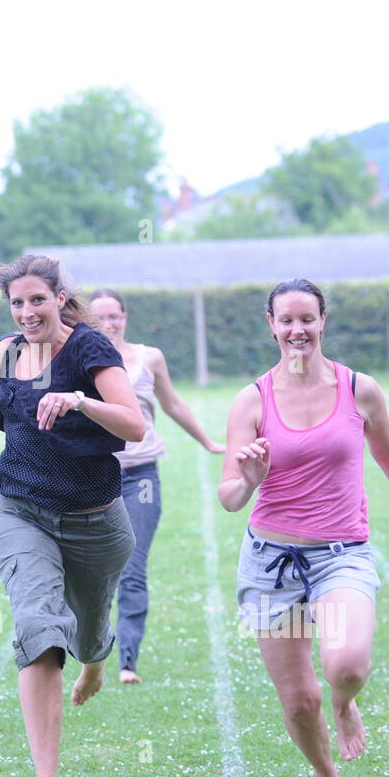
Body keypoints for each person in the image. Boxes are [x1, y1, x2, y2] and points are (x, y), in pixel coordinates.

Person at [219, 277, 389, 777]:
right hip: (270, 560)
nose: (297, 329)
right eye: (286, 320)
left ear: (323, 320)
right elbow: (229, 496)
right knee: (298, 700)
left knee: (345, 665)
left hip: (341, 554)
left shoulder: (359, 389)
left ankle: (345, 702)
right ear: (271, 325)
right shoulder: (251, 400)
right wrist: (250, 479)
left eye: (307, 318)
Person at [0, 255, 144, 777]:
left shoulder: (90, 349)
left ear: (57, 297)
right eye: (17, 303)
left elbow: (135, 424)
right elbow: (3, 412)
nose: (27, 312)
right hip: (20, 509)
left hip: (94, 519)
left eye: (37, 300)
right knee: (38, 625)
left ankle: (95, 660)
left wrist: (79, 400)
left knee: (91, 629)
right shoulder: (5, 352)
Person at [88, 288, 225, 684]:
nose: (109, 324)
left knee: (132, 566)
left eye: (115, 316)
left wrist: (208, 441)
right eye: (99, 318)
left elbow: (173, 404)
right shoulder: (83, 360)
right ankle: (91, 651)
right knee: (96, 571)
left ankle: (127, 661)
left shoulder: (150, 358)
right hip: (94, 477)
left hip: (141, 477)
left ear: (125, 318)